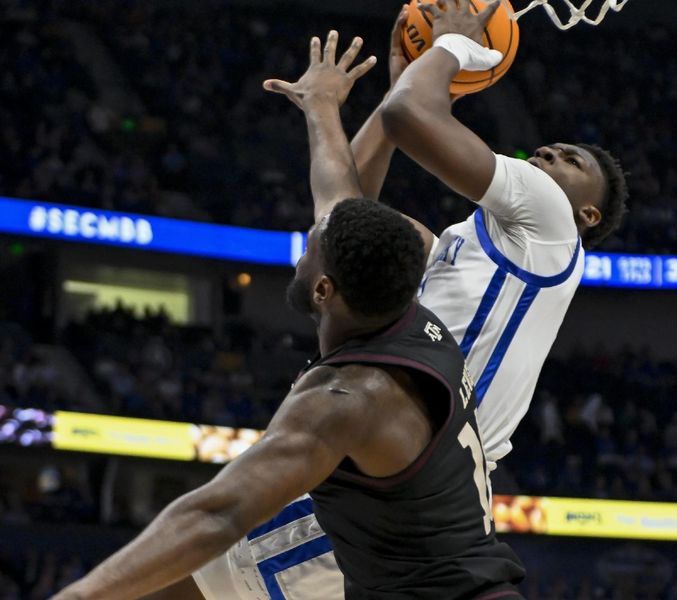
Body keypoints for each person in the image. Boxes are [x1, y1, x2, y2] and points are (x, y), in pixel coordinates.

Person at [187, 2, 629, 598]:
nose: (550, 153)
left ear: (588, 213)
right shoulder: (458, 248)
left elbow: (410, 114)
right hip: (395, 469)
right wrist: (334, 105)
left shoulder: (553, 220)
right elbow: (345, 220)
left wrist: (449, 49)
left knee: (184, 576)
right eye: (550, 149)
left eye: (571, 160)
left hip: (407, 471)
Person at [53, 205, 525, 598]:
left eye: (307, 252)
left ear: (322, 289)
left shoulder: (349, 397)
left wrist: (79, 595)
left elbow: (218, 515)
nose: (300, 258)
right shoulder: (421, 324)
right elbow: (344, 204)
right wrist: (320, 110)